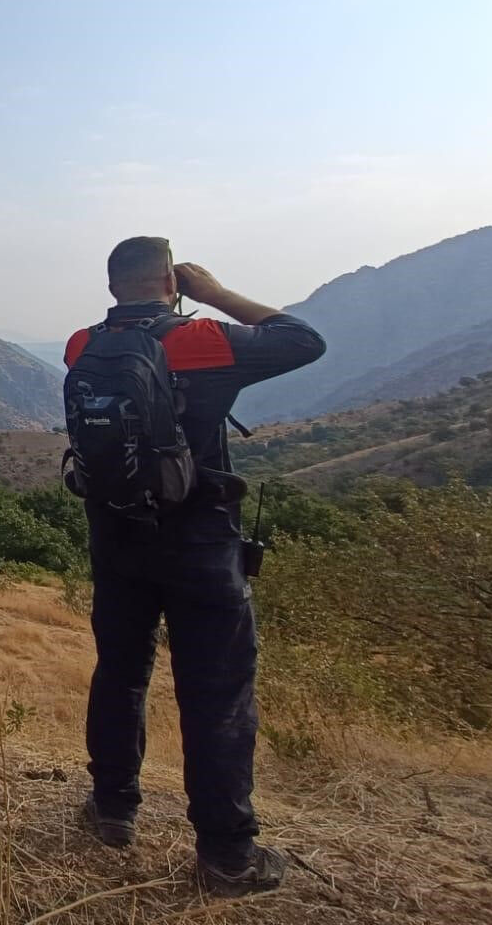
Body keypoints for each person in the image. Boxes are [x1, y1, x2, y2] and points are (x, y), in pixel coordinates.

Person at [64, 237, 325, 897]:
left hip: (116, 537)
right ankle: (226, 855)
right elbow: (302, 339)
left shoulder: (80, 346)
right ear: (167, 279)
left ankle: (112, 809)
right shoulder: (203, 340)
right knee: (216, 692)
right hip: (200, 541)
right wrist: (213, 294)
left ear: (113, 283)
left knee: (120, 672)